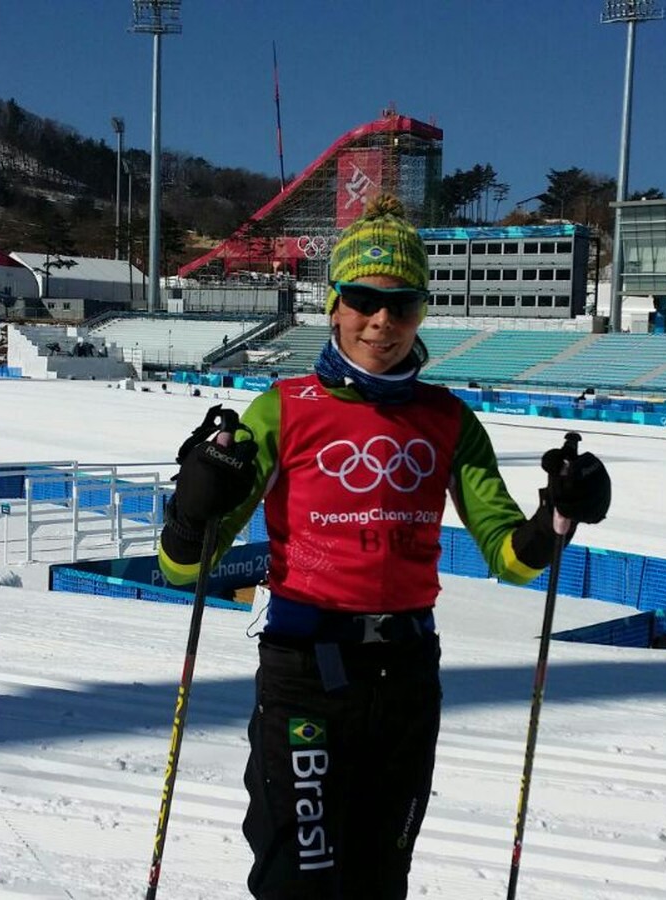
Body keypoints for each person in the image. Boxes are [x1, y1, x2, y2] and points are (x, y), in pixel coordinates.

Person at [157, 195, 611, 900]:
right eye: (364, 300)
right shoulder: (284, 407)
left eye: (402, 304)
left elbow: (510, 558)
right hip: (305, 669)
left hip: (406, 676)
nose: (381, 321)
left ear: (421, 312)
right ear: (334, 305)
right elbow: (184, 567)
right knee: (298, 882)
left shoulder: (448, 419)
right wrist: (193, 510)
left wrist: (558, 512)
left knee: (379, 882)